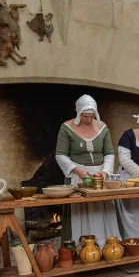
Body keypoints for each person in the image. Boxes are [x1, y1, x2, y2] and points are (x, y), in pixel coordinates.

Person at [55, 94, 120, 247]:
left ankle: (107, 246)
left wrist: (105, 172)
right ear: (78, 113)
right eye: (85, 116)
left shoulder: (102, 127)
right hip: (78, 177)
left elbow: (109, 153)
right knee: (80, 212)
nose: (89, 119)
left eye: (92, 116)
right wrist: (76, 170)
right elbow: (60, 155)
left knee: (102, 210)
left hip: (99, 176)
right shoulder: (67, 128)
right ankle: (81, 248)